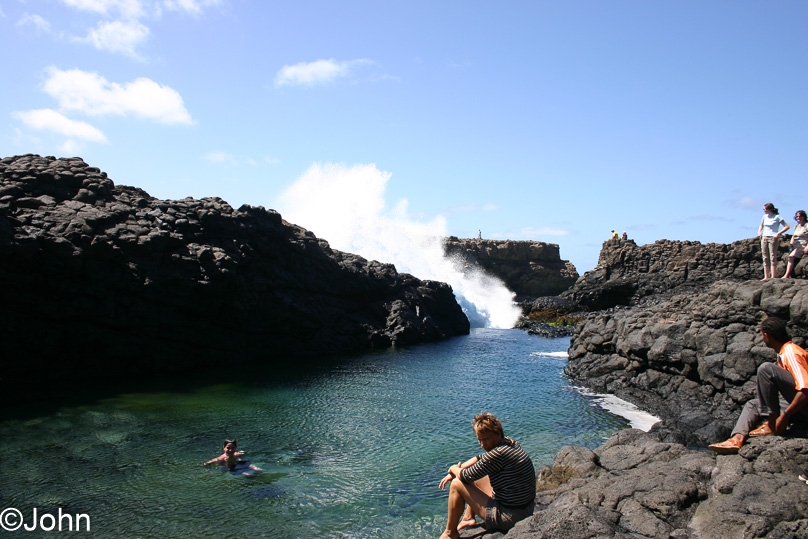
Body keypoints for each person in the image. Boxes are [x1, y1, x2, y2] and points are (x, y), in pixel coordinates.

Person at [709, 316, 808, 454]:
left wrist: (784, 416)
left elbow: (805, 389)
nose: (762, 338)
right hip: (799, 406)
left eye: (762, 335)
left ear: (767, 336)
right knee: (753, 405)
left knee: (766, 369)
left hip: (805, 404)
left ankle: (771, 424)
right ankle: (736, 438)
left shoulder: (790, 352)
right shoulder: (783, 353)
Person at [438, 412, 535, 538]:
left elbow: (465, 476)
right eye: (479, 440)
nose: (483, 445)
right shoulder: (509, 443)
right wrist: (458, 469)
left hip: (509, 517)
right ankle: (468, 517)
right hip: (524, 510)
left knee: (457, 483)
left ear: (498, 435)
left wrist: (453, 469)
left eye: (486, 439)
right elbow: (479, 459)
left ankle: (450, 533)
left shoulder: (497, 455)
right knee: (479, 474)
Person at [758, 203, 789, 280]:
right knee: (765, 256)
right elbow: (761, 225)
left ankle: (773, 276)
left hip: (773, 237)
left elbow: (787, 226)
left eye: (765, 209)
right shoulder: (764, 217)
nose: (764, 211)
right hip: (764, 236)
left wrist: (778, 234)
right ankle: (766, 276)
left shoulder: (777, 217)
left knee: (773, 256)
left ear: (770, 209)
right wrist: (759, 231)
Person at [783, 210, 808, 279]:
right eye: (797, 216)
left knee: (791, 257)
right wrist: (791, 244)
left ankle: (787, 275)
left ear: (804, 217)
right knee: (786, 256)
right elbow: (794, 236)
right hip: (795, 245)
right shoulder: (797, 226)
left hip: (802, 245)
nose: (798, 217)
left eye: (800, 216)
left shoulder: (806, 225)